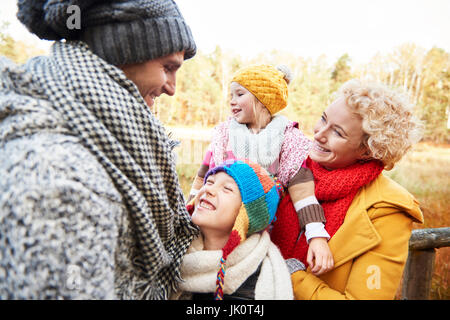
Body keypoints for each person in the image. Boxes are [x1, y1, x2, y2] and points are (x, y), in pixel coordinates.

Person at [0, 0, 199, 299]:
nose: (172, 87)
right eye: (168, 67)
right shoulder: (62, 184)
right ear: (124, 50)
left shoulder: (93, 141)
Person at [280, 79, 424, 299]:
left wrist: (292, 275)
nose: (319, 134)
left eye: (337, 132)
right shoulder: (289, 167)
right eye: (323, 119)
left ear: (367, 150)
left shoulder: (387, 209)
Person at [187, 64, 334, 275]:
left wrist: (317, 235)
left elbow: (303, 193)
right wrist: (188, 211)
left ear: (262, 100)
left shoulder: (288, 140)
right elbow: (202, 179)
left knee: (250, 275)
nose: (232, 101)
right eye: (231, 95)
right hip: (216, 228)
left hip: (262, 232)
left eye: (240, 94)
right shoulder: (224, 135)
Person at [172, 159, 293, 300]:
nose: (208, 189)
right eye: (209, 182)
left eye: (227, 189)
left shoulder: (257, 282)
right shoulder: (172, 251)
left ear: (247, 215)